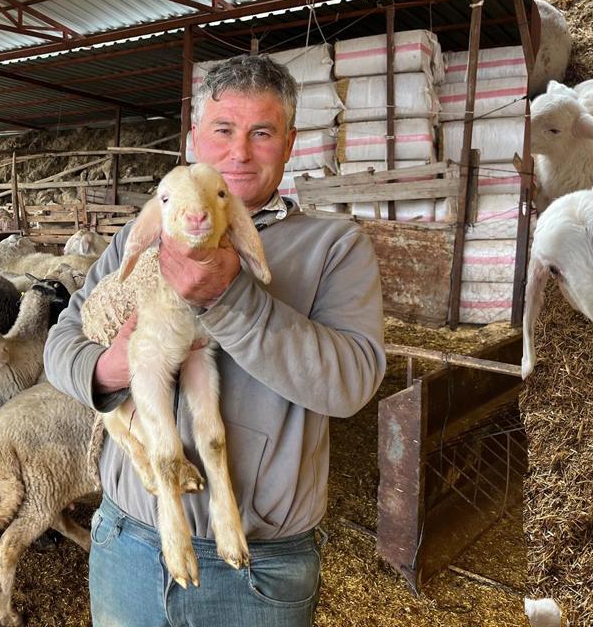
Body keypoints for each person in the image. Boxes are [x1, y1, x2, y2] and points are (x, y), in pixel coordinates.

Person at [44, 54, 386, 627]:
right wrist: (115, 367)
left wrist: (230, 296)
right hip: (129, 537)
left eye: (262, 133)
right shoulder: (143, 231)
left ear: (289, 142)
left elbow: (351, 384)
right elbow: (62, 343)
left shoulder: (335, 246)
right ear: (195, 137)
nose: (240, 152)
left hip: (258, 564)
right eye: (223, 130)